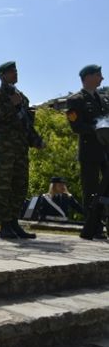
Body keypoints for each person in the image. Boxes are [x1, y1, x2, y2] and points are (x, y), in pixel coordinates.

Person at [0, 61, 44, 239]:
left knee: (20, 185)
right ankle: (4, 225)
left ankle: (14, 222)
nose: (16, 74)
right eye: (12, 72)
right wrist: (11, 104)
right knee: (4, 185)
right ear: (3, 75)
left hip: (20, 148)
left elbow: (26, 122)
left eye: (16, 71)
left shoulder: (22, 96)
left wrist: (36, 140)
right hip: (5, 148)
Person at [65, 64, 109, 240]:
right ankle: (92, 227)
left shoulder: (105, 100)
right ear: (88, 77)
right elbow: (76, 126)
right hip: (90, 151)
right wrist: (97, 128)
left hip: (106, 150)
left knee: (107, 191)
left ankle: (104, 223)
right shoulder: (75, 100)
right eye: (99, 75)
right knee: (90, 190)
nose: (102, 78)